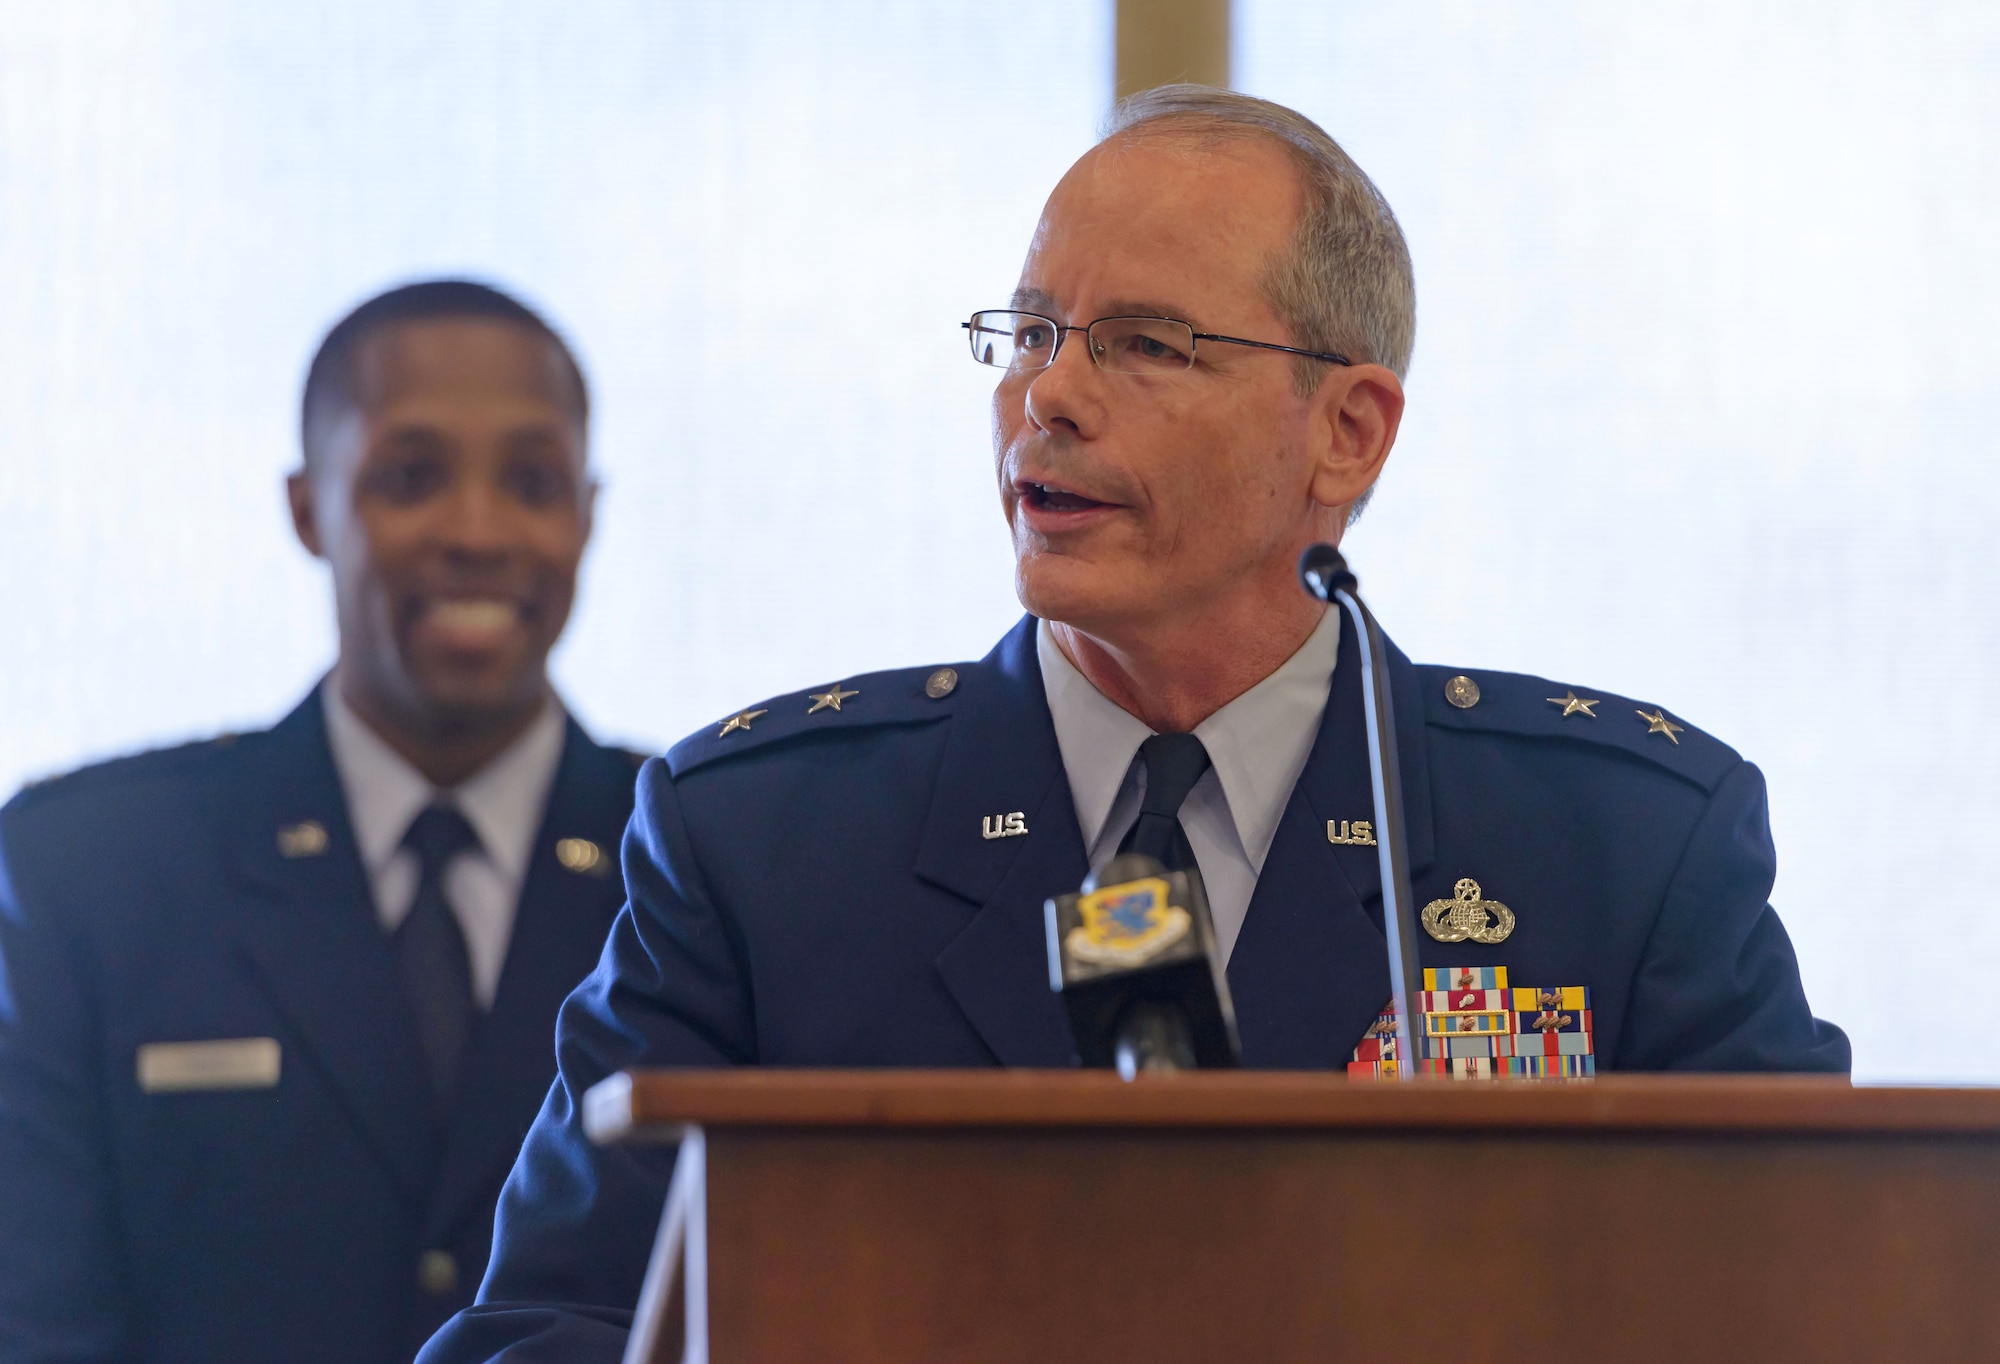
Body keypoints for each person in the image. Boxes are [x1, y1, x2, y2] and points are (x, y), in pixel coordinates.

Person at [418, 88, 1849, 1363]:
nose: (1045, 393)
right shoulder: (761, 842)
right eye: (1031, 333)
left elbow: (1832, 1307)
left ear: (1345, 432)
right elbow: (539, 1330)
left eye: (1144, 345)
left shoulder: (1624, 846)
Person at [0, 280, 647, 1364]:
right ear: (309, 508)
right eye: (411, 477)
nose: (478, 531)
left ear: (586, 512)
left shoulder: (699, 863)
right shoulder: (90, 872)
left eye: (532, 481)